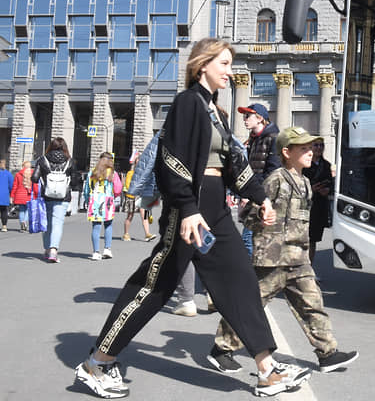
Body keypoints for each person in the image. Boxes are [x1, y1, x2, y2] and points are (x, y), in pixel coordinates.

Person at [74, 38, 310, 399]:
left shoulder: (214, 109)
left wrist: (260, 198)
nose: (231, 71)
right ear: (203, 65)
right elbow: (173, 158)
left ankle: (267, 370)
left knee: (239, 279)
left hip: (215, 205)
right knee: (156, 284)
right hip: (193, 203)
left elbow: (232, 162)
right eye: (225, 63)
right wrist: (186, 207)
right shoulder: (188, 102)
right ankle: (98, 362)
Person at [207, 126, 358, 376]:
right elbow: (248, 214)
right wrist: (261, 215)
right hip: (272, 259)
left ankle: (327, 354)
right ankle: (221, 350)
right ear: (287, 152)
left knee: (312, 303)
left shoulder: (305, 182)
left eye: (312, 148)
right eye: (304, 148)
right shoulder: (276, 179)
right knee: (250, 305)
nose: (311, 152)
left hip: (297, 258)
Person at [236, 102, 280, 256]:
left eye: (248, 116)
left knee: (249, 239)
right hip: (254, 195)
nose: (244, 119)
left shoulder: (273, 138)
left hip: (263, 197)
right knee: (254, 239)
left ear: (260, 118)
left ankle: (249, 277)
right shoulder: (254, 139)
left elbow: (272, 171)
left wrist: (252, 194)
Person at [32, 137, 76, 263]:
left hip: (46, 196)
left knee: (46, 223)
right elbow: (74, 180)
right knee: (57, 223)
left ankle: (46, 249)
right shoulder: (70, 161)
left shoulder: (43, 159)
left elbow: (34, 178)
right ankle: (53, 250)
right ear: (65, 147)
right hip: (63, 197)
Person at [83, 152, 123, 260]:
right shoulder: (113, 173)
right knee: (108, 225)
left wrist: (87, 199)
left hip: (95, 200)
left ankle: (96, 252)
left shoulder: (93, 172)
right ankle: (107, 249)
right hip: (108, 201)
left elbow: (87, 188)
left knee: (96, 227)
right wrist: (115, 195)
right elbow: (118, 188)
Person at [302, 139, 334, 263]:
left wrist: (327, 190)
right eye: (316, 145)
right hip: (305, 205)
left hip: (319, 206)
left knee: (313, 240)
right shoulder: (304, 163)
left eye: (322, 145)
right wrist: (311, 189)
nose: (319, 148)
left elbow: (331, 183)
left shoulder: (326, 165)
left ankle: (309, 268)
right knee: (302, 239)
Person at [121, 153, 157, 242]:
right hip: (132, 197)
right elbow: (129, 185)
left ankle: (147, 234)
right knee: (130, 216)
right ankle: (126, 233)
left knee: (144, 216)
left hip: (142, 197)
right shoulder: (130, 173)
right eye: (138, 162)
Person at [11, 160, 38, 232]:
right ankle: (25, 222)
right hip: (29, 195)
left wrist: (12, 195)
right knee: (28, 210)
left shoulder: (18, 174)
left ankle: (22, 224)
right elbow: (35, 186)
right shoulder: (33, 174)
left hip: (19, 195)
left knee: (21, 210)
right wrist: (37, 194)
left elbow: (15, 186)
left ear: (23, 166)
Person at [0, 159, 14, 232]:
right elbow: (11, 186)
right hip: (4, 195)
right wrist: (11, 195)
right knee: (4, 211)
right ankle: (4, 226)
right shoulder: (8, 174)